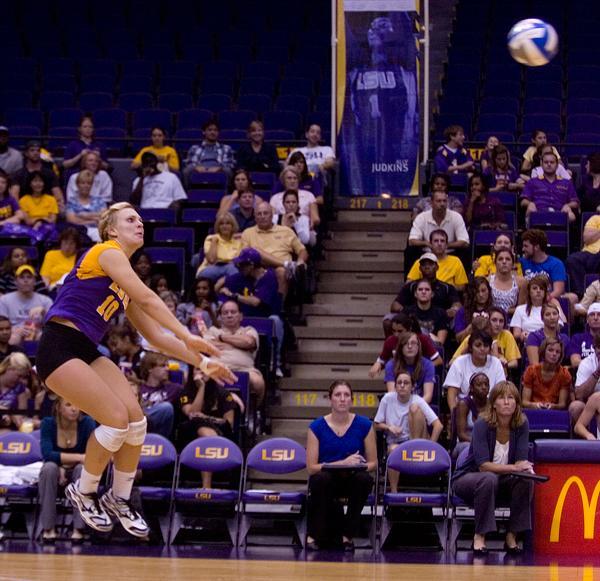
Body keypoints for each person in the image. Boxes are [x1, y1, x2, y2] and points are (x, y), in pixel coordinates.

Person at [34, 202, 236, 538]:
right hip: (58, 346)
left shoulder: (123, 275)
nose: (139, 223)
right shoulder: (106, 251)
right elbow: (148, 299)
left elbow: (155, 336)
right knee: (114, 419)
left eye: (141, 219)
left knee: (136, 421)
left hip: (85, 349)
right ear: (112, 229)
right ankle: (83, 491)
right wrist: (190, 335)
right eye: (130, 219)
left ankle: (119, 498)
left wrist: (202, 362)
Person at [452, 381, 534, 556]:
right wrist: (515, 467)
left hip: (501, 480)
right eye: (501, 398)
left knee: (525, 480)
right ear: (494, 403)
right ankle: (480, 536)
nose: (506, 402)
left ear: (517, 403)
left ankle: (512, 536)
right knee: (488, 478)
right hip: (469, 477)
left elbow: (521, 460)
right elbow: (483, 466)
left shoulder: (521, 424)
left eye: (511, 398)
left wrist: (524, 469)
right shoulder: (483, 423)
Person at [305, 380, 377, 551]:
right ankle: (314, 534)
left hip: (351, 480)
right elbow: (311, 467)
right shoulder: (316, 427)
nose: (342, 399)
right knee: (321, 478)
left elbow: (373, 463)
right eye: (338, 395)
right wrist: (341, 463)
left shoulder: (365, 425)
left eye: (346, 395)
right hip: (327, 481)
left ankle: (347, 536)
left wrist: (358, 465)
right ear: (330, 399)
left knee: (364, 479)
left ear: (352, 400)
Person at [217, 248, 284, 375]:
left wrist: (234, 296)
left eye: (242, 265)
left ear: (251, 265)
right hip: (242, 320)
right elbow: (220, 292)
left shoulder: (269, 276)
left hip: (264, 318)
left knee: (276, 321)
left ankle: (275, 364)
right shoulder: (238, 278)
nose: (239, 267)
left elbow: (256, 301)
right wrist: (222, 285)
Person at [38, 397, 96, 543]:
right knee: (48, 468)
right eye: (69, 404)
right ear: (58, 407)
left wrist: (64, 461)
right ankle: (48, 529)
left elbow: (91, 455)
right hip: (55, 471)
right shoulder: (48, 424)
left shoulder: (87, 423)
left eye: (77, 404)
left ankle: (78, 529)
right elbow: (47, 454)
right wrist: (67, 462)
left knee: (82, 469)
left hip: (79, 470)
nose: (74, 408)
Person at [374, 372, 442, 493]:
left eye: (406, 383)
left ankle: (415, 447)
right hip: (397, 443)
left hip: (418, 440)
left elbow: (438, 425)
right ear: (395, 386)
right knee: (393, 450)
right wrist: (389, 427)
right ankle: (394, 492)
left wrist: (432, 447)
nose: (402, 385)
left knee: (414, 408)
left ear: (412, 387)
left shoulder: (418, 399)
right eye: (399, 383)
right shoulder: (387, 399)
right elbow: (376, 424)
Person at [178, 368, 237, 486]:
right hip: (190, 433)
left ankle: (206, 486)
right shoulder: (186, 392)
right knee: (201, 427)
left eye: (206, 369)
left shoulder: (223, 393)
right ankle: (206, 486)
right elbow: (192, 414)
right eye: (198, 369)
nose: (202, 372)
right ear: (192, 373)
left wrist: (207, 418)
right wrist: (201, 388)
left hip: (219, 431)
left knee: (206, 433)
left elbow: (229, 422)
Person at [203, 299, 265, 405]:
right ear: (221, 317)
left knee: (258, 383)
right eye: (225, 313)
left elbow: (248, 342)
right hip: (217, 368)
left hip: (245, 370)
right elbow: (208, 346)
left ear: (240, 316)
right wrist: (238, 344)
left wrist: (221, 338)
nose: (229, 315)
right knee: (201, 378)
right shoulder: (212, 330)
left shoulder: (249, 330)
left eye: (233, 312)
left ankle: (254, 413)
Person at [241, 202, 308, 296]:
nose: (262, 216)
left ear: (272, 215)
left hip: (282, 271)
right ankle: (287, 265)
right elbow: (245, 255)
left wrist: (300, 261)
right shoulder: (247, 233)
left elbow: (302, 250)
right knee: (255, 251)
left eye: (265, 213)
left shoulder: (286, 231)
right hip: (258, 268)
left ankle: (279, 308)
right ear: (255, 217)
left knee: (281, 271)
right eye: (259, 214)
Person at [388, 253, 461, 327]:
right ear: (420, 268)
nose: (427, 267)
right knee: (388, 319)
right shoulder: (410, 286)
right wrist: (405, 311)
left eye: (430, 264)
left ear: (437, 267)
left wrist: (454, 309)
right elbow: (395, 305)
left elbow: (457, 304)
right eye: (424, 264)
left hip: (440, 320)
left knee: (458, 319)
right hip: (414, 320)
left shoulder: (446, 287)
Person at [444, 330, 506, 411]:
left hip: (490, 408)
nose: (482, 349)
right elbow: (451, 393)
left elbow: (501, 391)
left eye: (486, 345)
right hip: (465, 408)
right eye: (478, 345)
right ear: (470, 347)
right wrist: (455, 416)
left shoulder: (496, 362)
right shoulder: (459, 362)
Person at [370, 313, 441, 379]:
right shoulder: (390, 341)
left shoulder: (422, 339)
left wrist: (420, 369)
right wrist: (378, 364)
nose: (396, 334)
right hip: (399, 377)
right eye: (393, 331)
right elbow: (382, 359)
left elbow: (438, 360)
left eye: (400, 331)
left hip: (420, 376)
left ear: (409, 329)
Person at [451, 308, 521, 371]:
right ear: (487, 322)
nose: (498, 324)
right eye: (494, 320)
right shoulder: (472, 338)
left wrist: (503, 365)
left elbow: (514, 363)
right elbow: (452, 362)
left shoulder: (507, 335)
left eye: (501, 321)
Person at [0, 264, 53, 344]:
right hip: (14, 334)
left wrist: (44, 312)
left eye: (29, 277)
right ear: (15, 281)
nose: (26, 280)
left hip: (38, 333)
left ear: (35, 281)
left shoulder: (45, 301)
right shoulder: (4, 300)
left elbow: (54, 325)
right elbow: (1, 325)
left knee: (46, 337)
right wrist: (15, 330)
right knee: (12, 337)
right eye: (22, 277)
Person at [521, 151, 579, 223]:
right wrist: (530, 204)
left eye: (552, 162)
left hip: (559, 214)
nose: (549, 164)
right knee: (530, 209)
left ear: (557, 165)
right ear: (541, 164)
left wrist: (567, 205)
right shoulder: (532, 182)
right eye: (546, 162)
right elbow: (523, 202)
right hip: (538, 213)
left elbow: (575, 203)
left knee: (571, 216)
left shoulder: (566, 183)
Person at [136, 352, 183, 439]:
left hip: (160, 434)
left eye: (167, 366)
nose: (167, 369)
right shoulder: (138, 389)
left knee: (166, 408)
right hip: (139, 428)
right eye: (163, 366)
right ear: (150, 368)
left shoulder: (174, 389)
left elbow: (186, 399)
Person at [510, 275, 565, 343]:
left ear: (545, 292)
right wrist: (522, 335)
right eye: (535, 288)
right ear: (529, 292)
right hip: (528, 342)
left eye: (541, 288)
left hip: (548, 342)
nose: (538, 291)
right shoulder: (520, 309)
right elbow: (516, 334)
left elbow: (557, 328)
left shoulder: (553, 308)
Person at [9, 140, 64, 209]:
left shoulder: (50, 173)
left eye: (38, 151)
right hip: (25, 209)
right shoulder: (18, 174)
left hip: (47, 209)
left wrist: (58, 206)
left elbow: (58, 196)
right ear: (26, 153)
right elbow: (14, 197)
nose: (35, 153)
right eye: (32, 150)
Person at [383, 331, 435, 400]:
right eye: (405, 344)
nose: (410, 346)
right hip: (398, 405)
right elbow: (392, 394)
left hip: (419, 405)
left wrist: (415, 406)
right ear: (400, 347)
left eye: (413, 343)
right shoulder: (391, 365)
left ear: (418, 346)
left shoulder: (428, 365)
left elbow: (428, 396)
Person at [522, 339, 571, 410]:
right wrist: (536, 405)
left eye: (558, 352)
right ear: (543, 352)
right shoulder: (531, 371)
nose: (554, 354)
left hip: (555, 413)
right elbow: (524, 402)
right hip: (533, 411)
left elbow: (562, 404)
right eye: (550, 350)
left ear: (560, 356)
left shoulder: (564, 374)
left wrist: (553, 406)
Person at [520, 229, 568, 301]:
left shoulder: (556, 264)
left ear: (536, 247)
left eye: (526, 246)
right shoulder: (521, 262)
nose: (523, 249)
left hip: (547, 300)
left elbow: (558, 291)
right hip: (526, 301)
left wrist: (540, 300)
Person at [196, 212, 244, 281]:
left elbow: (239, 261)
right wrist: (214, 241)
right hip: (212, 267)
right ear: (218, 226)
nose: (224, 226)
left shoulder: (238, 242)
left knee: (233, 270)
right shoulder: (211, 238)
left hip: (231, 268)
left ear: (233, 226)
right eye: (221, 224)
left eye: (228, 223)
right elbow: (212, 260)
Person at [404, 279, 450, 346]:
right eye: (420, 289)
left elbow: (440, 342)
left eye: (427, 289)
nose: (423, 292)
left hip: (432, 349)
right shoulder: (407, 312)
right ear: (415, 294)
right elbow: (402, 338)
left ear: (432, 294)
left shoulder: (441, 313)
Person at [65, 169, 107, 242]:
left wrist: (84, 215)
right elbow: (72, 220)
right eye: (83, 183)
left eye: (89, 183)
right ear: (77, 184)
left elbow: (104, 217)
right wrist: (94, 220)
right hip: (78, 232)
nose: (86, 186)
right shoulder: (71, 202)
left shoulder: (99, 200)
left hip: (97, 231)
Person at [567, 212, 600, 298]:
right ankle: (581, 294)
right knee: (573, 259)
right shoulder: (595, 219)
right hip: (590, 253)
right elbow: (587, 239)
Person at [570, 335, 600, 427]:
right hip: (591, 406)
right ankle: (585, 439)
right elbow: (579, 395)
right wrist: (597, 372)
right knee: (576, 406)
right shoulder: (587, 363)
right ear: (594, 348)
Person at [0, 352, 33, 433]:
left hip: (10, 430)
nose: (20, 380)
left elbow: (21, 415)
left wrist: (16, 418)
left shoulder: (20, 388)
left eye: (23, 377)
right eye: (19, 376)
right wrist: (8, 412)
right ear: (9, 369)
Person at [454, 372, 490, 446]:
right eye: (479, 385)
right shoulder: (463, 404)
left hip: (486, 444)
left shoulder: (492, 404)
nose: (484, 387)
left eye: (486, 384)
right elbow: (461, 435)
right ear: (472, 388)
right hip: (466, 442)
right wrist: (479, 444)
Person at [454, 277, 493, 344]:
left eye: (483, 290)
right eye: (477, 292)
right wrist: (472, 327)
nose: (481, 295)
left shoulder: (495, 311)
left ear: (489, 291)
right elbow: (458, 339)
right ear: (471, 293)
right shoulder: (462, 312)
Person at [488, 249, 524, 316]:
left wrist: (506, 311)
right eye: (500, 259)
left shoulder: (521, 282)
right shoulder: (488, 281)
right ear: (495, 263)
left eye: (508, 259)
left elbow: (522, 309)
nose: (504, 262)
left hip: (513, 320)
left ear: (513, 264)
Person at [569, 303, 600, 368]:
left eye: (599, 315)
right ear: (587, 319)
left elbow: (579, 362)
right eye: (592, 315)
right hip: (584, 376)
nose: (596, 318)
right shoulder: (577, 338)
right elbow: (575, 362)